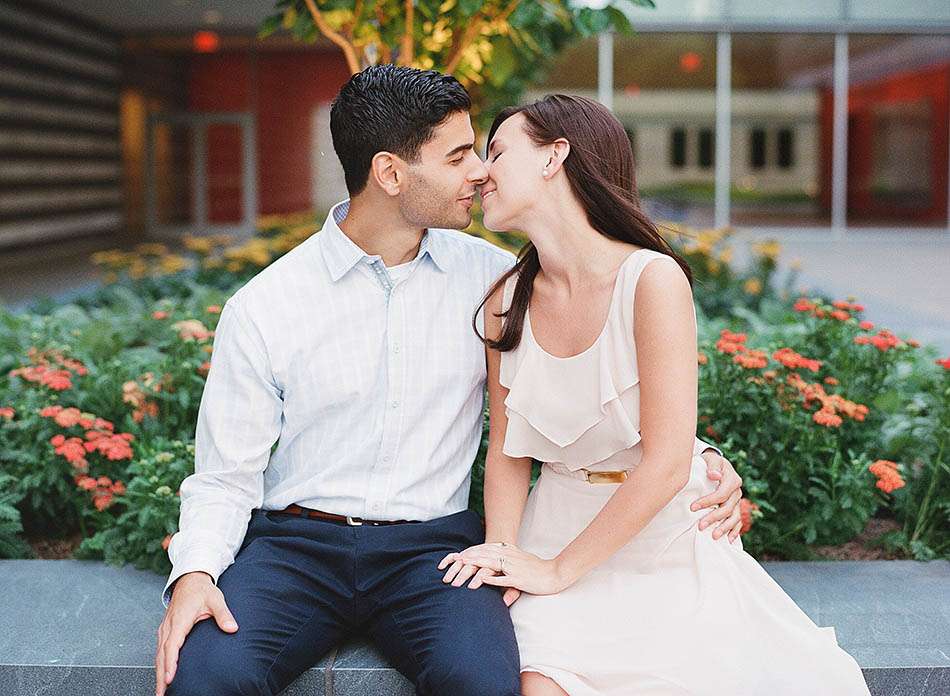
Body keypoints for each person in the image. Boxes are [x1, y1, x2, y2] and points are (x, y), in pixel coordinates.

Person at [154, 67, 744, 696]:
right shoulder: (267, 304)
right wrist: (194, 572)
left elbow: (596, 376)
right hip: (296, 548)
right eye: (460, 155)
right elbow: (224, 476)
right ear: (390, 173)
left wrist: (697, 457)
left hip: (432, 553)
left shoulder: (496, 286)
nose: (480, 173)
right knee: (203, 679)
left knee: (485, 683)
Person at [438, 94, 872, 696]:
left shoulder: (651, 280)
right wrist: (505, 551)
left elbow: (668, 463)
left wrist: (557, 571)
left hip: (665, 539)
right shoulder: (504, 301)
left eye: (497, 152)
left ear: (554, 157)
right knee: (541, 684)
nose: (482, 172)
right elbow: (509, 450)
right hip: (554, 523)